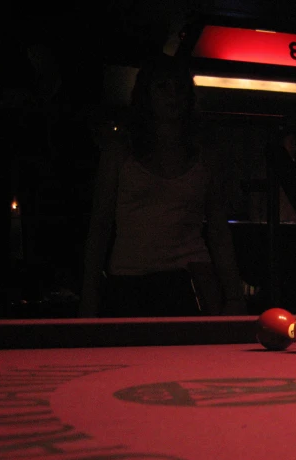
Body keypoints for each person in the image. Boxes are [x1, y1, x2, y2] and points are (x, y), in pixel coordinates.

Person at [78, 53, 246, 317]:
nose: (173, 95)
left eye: (180, 87)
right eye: (163, 86)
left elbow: (217, 229)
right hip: (130, 278)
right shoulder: (121, 151)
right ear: (147, 94)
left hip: (191, 277)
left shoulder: (204, 156)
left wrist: (234, 294)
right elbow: (100, 224)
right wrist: (89, 295)